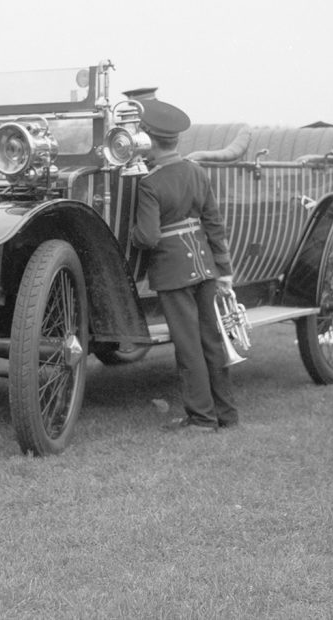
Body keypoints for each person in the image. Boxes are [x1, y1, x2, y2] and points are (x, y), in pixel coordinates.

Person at [129, 90, 238, 433]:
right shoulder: (197, 172)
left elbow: (147, 237)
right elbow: (214, 224)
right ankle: (226, 414)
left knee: (188, 347)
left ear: (148, 140)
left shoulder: (149, 183)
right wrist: (224, 269)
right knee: (211, 341)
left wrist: (128, 234)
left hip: (173, 272)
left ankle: (202, 418)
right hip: (205, 265)